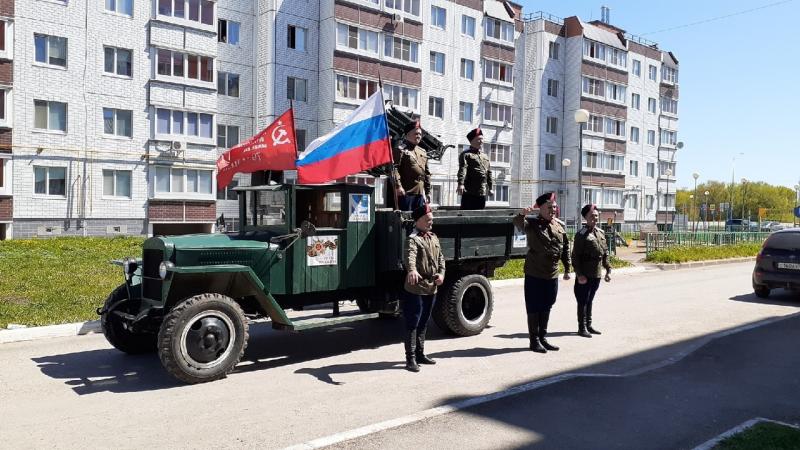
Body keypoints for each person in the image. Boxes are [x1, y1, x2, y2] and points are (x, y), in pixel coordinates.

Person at [512, 192, 571, 353]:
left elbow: (565, 248)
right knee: (533, 306)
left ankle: (543, 337)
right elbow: (517, 222)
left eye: (554, 207)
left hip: (551, 274)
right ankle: (534, 340)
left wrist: (567, 268)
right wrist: (523, 213)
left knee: (547, 305)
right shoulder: (532, 223)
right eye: (549, 207)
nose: (553, 209)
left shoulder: (559, 225)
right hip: (535, 273)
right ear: (541, 208)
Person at [401, 203, 445, 372]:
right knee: (413, 322)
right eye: (427, 220)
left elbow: (441, 259)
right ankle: (410, 358)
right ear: (418, 220)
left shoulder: (433, 237)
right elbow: (409, 257)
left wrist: (441, 274)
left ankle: (420, 354)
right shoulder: (413, 239)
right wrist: (411, 270)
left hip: (431, 286)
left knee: (425, 321)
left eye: (431, 220)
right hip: (416, 288)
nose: (430, 223)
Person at [571, 204, 612, 338]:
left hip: (596, 273)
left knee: (590, 300)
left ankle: (589, 325)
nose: (594, 218)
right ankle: (581, 327)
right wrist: (579, 274)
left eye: (596, 215)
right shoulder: (581, 235)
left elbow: (604, 253)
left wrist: (608, 269)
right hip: (585, 274)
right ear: (585, 218)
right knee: (582, 301)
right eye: (591, 216)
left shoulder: (600, 232)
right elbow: (575, 256)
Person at [391, 119, 431, 211]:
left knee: (419, 222)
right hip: (405, 193)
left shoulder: (423, 151)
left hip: (420, 194)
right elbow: (394, 169)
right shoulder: (400, 150)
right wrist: (398, 186)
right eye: (416, 134)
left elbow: (427, 174)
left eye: (420, 134)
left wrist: (428, 192)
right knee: (407, 221)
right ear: (407, 135)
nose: (418, 136)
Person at [457, 128, 493, 210]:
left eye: (482, 139)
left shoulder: (485, 156)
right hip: (469, 192)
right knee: (467, 216)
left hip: (481, 193)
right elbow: (463, 169)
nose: (481, 141)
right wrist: (461, 184)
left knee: (480, 217)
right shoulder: (466, 154)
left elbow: (489, 173)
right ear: (472, 141)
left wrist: (490, 188)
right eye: (479, 139)